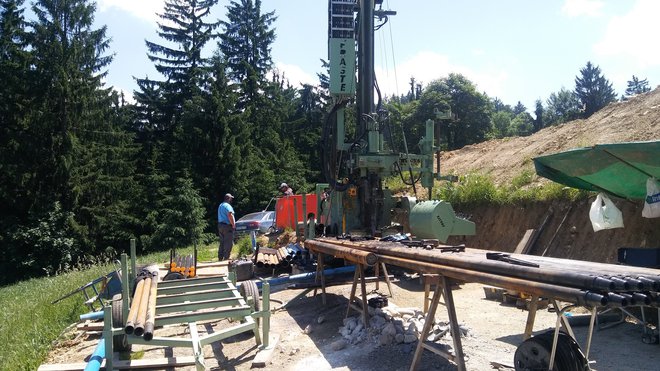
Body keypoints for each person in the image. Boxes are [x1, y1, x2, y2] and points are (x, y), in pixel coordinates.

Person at [217, 193, 236, 262]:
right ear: (229, 198)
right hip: (227, 226)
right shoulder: (227, 206)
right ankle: (226, 258)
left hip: (220, 225)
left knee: (222, 242)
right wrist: (233, 224)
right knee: (228, 242)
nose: (231, 199)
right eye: (231, 198)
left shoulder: (220, 205)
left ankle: (220, 257)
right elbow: (230, 215)